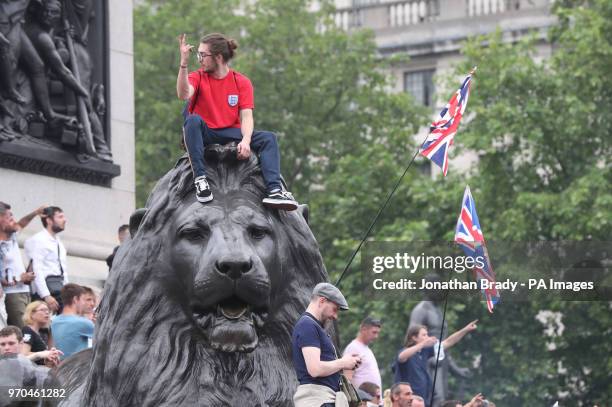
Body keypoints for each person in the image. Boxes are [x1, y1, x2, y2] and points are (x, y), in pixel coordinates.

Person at [176, 32, 298, 210]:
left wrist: (246, 141)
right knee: (192, 121)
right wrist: (184, 63)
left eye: (203, 54)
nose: (199, 59)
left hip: (229, 132)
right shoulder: (199, 76)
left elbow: (246, 116)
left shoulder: (241, 81)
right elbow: (183, 94)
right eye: (198, 54)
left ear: (218, 57)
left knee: (268, 138)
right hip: (205, 132)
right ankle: (200, 180)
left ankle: (274, 191)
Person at [292, 282, 361, 407]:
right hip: (317, 401)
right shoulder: (307, 325)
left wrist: (347, 362)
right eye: (335, 309)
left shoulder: (312, 326)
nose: (335, 316)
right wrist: (344, 362)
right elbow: (315, 369)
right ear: (322, 301)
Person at [393, 321, 478, 407]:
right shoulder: (406, 351)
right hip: (408, 401)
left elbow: (448, 342)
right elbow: (401, 357)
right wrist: (423, 344)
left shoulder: (424, 352)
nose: (427, 337)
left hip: (423, 399)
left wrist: (465, 329)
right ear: (414, 337)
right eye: (424, 335)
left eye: (427, 334)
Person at [0, 202, 45, 327]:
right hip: (12, 295)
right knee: (22, 332)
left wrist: (35, 213)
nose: (14, 221)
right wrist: (20, 278)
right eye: (10, 219)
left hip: (25, 290)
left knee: (29, 329)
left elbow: (21, 223)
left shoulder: (12, 236)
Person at [25, 206, 68, 314]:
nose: (65, 220)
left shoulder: (59, 242)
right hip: (45, 293)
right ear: (49, 220)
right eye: (60, 217)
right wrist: (46, 295)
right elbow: (37, 269)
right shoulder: (39, 240)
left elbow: (63, 270)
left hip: (59, 288)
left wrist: (67, 291)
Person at [50, 284, 94, 360]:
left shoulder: (54, 321)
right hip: (78, 368)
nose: (84, 304)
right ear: (76, 299)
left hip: (60, 368)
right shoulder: (83, 323)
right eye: (83, 300)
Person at [343, 316, 383, 389]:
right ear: (363, 329)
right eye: (374, 332)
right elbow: (347, 378)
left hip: (372, 399)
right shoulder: (353, 348)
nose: (376, 336)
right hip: (361, 399)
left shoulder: (367, 349)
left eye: (378, 333)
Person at [21, 301, 62, 366]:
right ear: (32, 314)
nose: (47, 312)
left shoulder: (43, 331)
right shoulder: (27, 330)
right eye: (42, 310)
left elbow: (50, 349)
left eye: (48, 310)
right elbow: (24, 354)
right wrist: (42, 354)